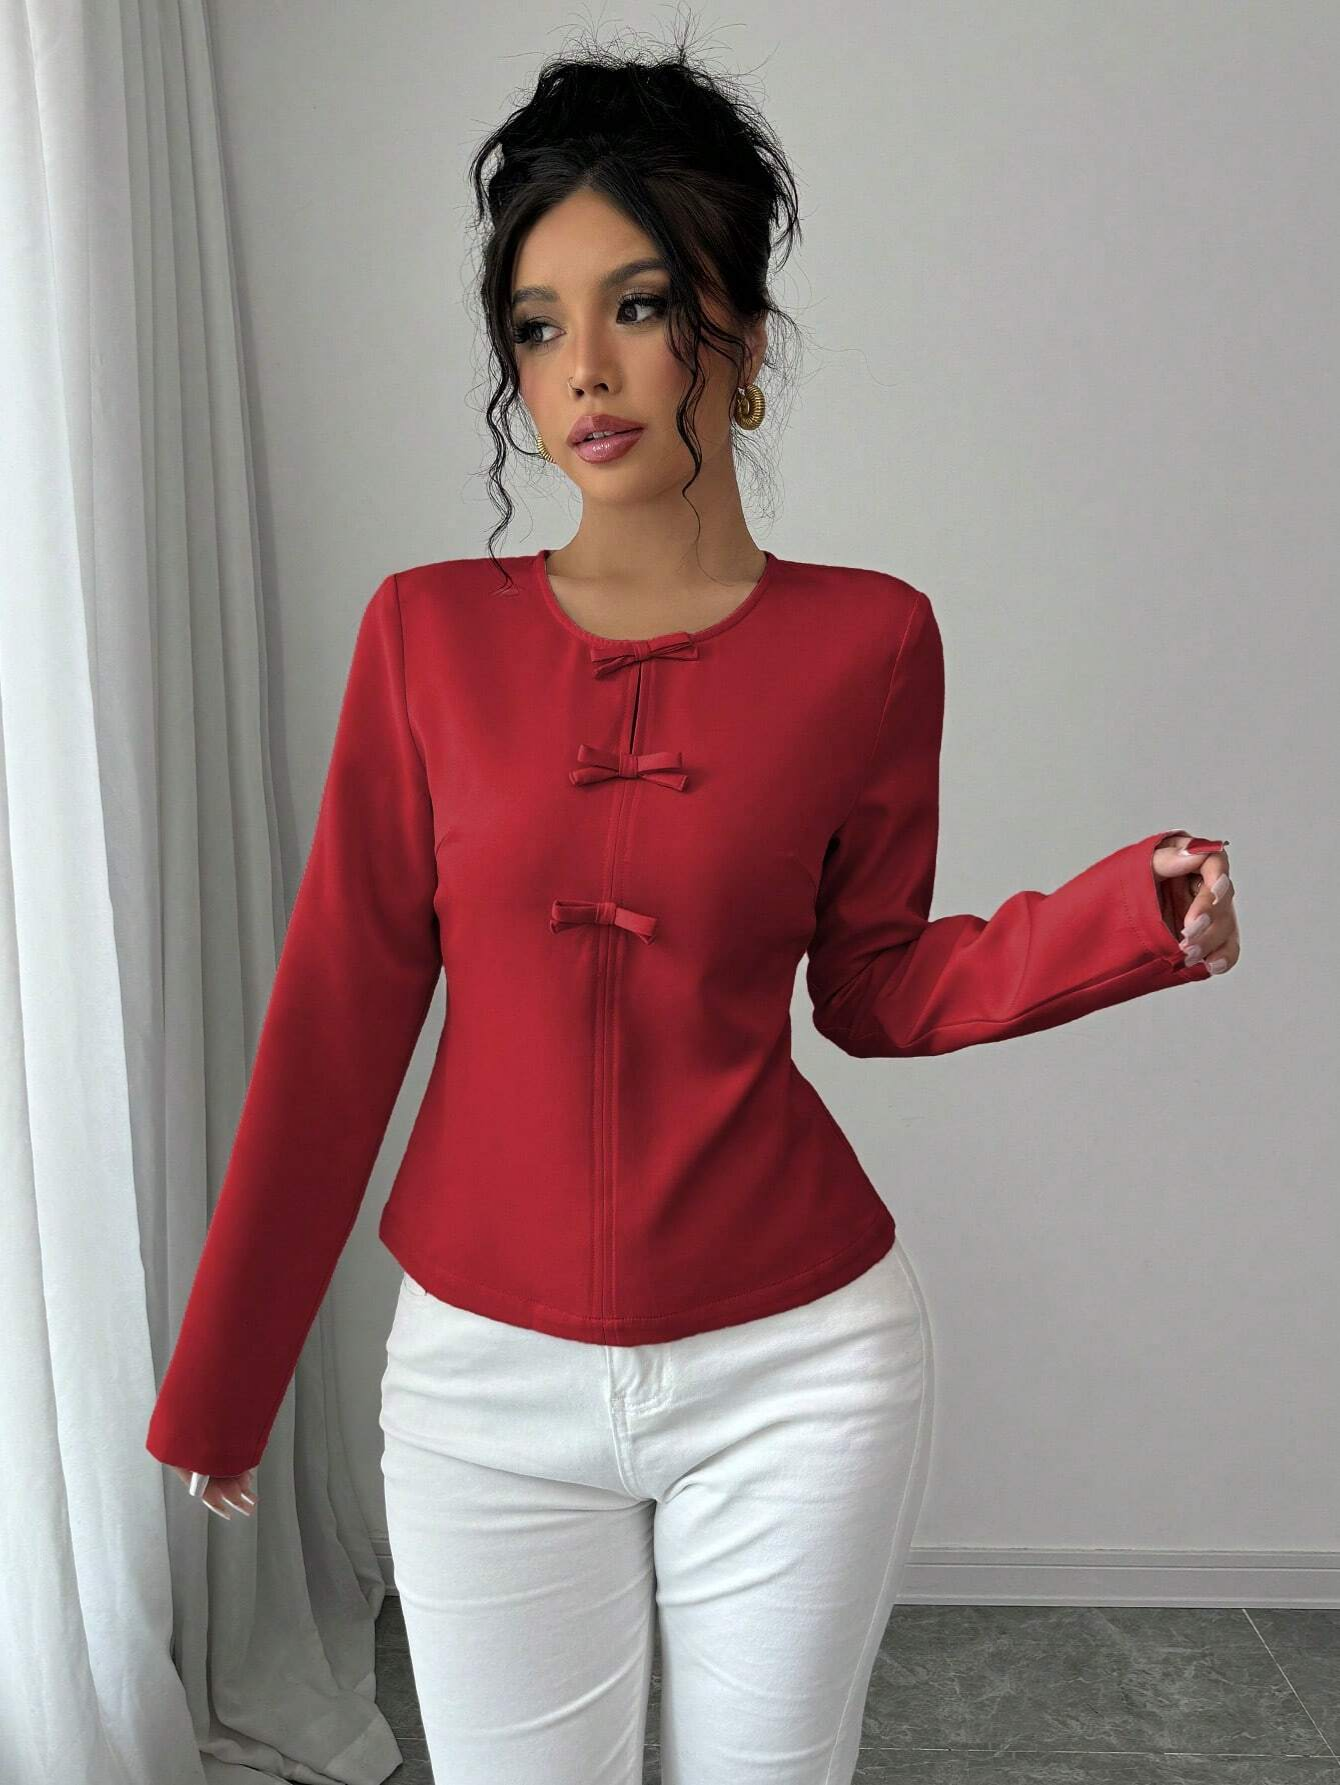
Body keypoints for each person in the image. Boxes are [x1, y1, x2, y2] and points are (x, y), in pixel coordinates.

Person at [146, 22, 1240, 1784]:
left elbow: (876, 986)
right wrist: (228, 1370)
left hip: (799, 1367)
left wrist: (1132, 916)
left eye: (640, 306)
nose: (584, 369)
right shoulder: (425, 636)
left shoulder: (871, 639)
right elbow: (337, 1020)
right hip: (482, 1384)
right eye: (536, 325)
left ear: (741, 337)